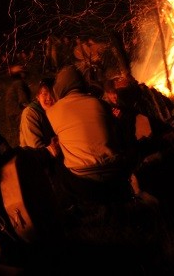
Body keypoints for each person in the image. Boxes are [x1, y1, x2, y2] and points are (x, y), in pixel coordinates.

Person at [46, 65, 137, 207]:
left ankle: (72, 206)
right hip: (115, 173)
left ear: (60, 87)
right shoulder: (100, 103)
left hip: (83, 182)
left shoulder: (52, 112)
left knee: (57, 160)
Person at [18, 77, 58, 156]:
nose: (49, 98)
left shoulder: (57, 111)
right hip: (35, 159)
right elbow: (36, 148)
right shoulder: (30, 113)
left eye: (52, 94)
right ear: (38, 97)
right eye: (45, 94)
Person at [3, 66, 32, 147]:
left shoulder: (13, 85)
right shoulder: (19, 84)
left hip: (12, 114)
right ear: (20, 74)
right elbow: (23, 100)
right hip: (18, 113)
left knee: (17, 136)